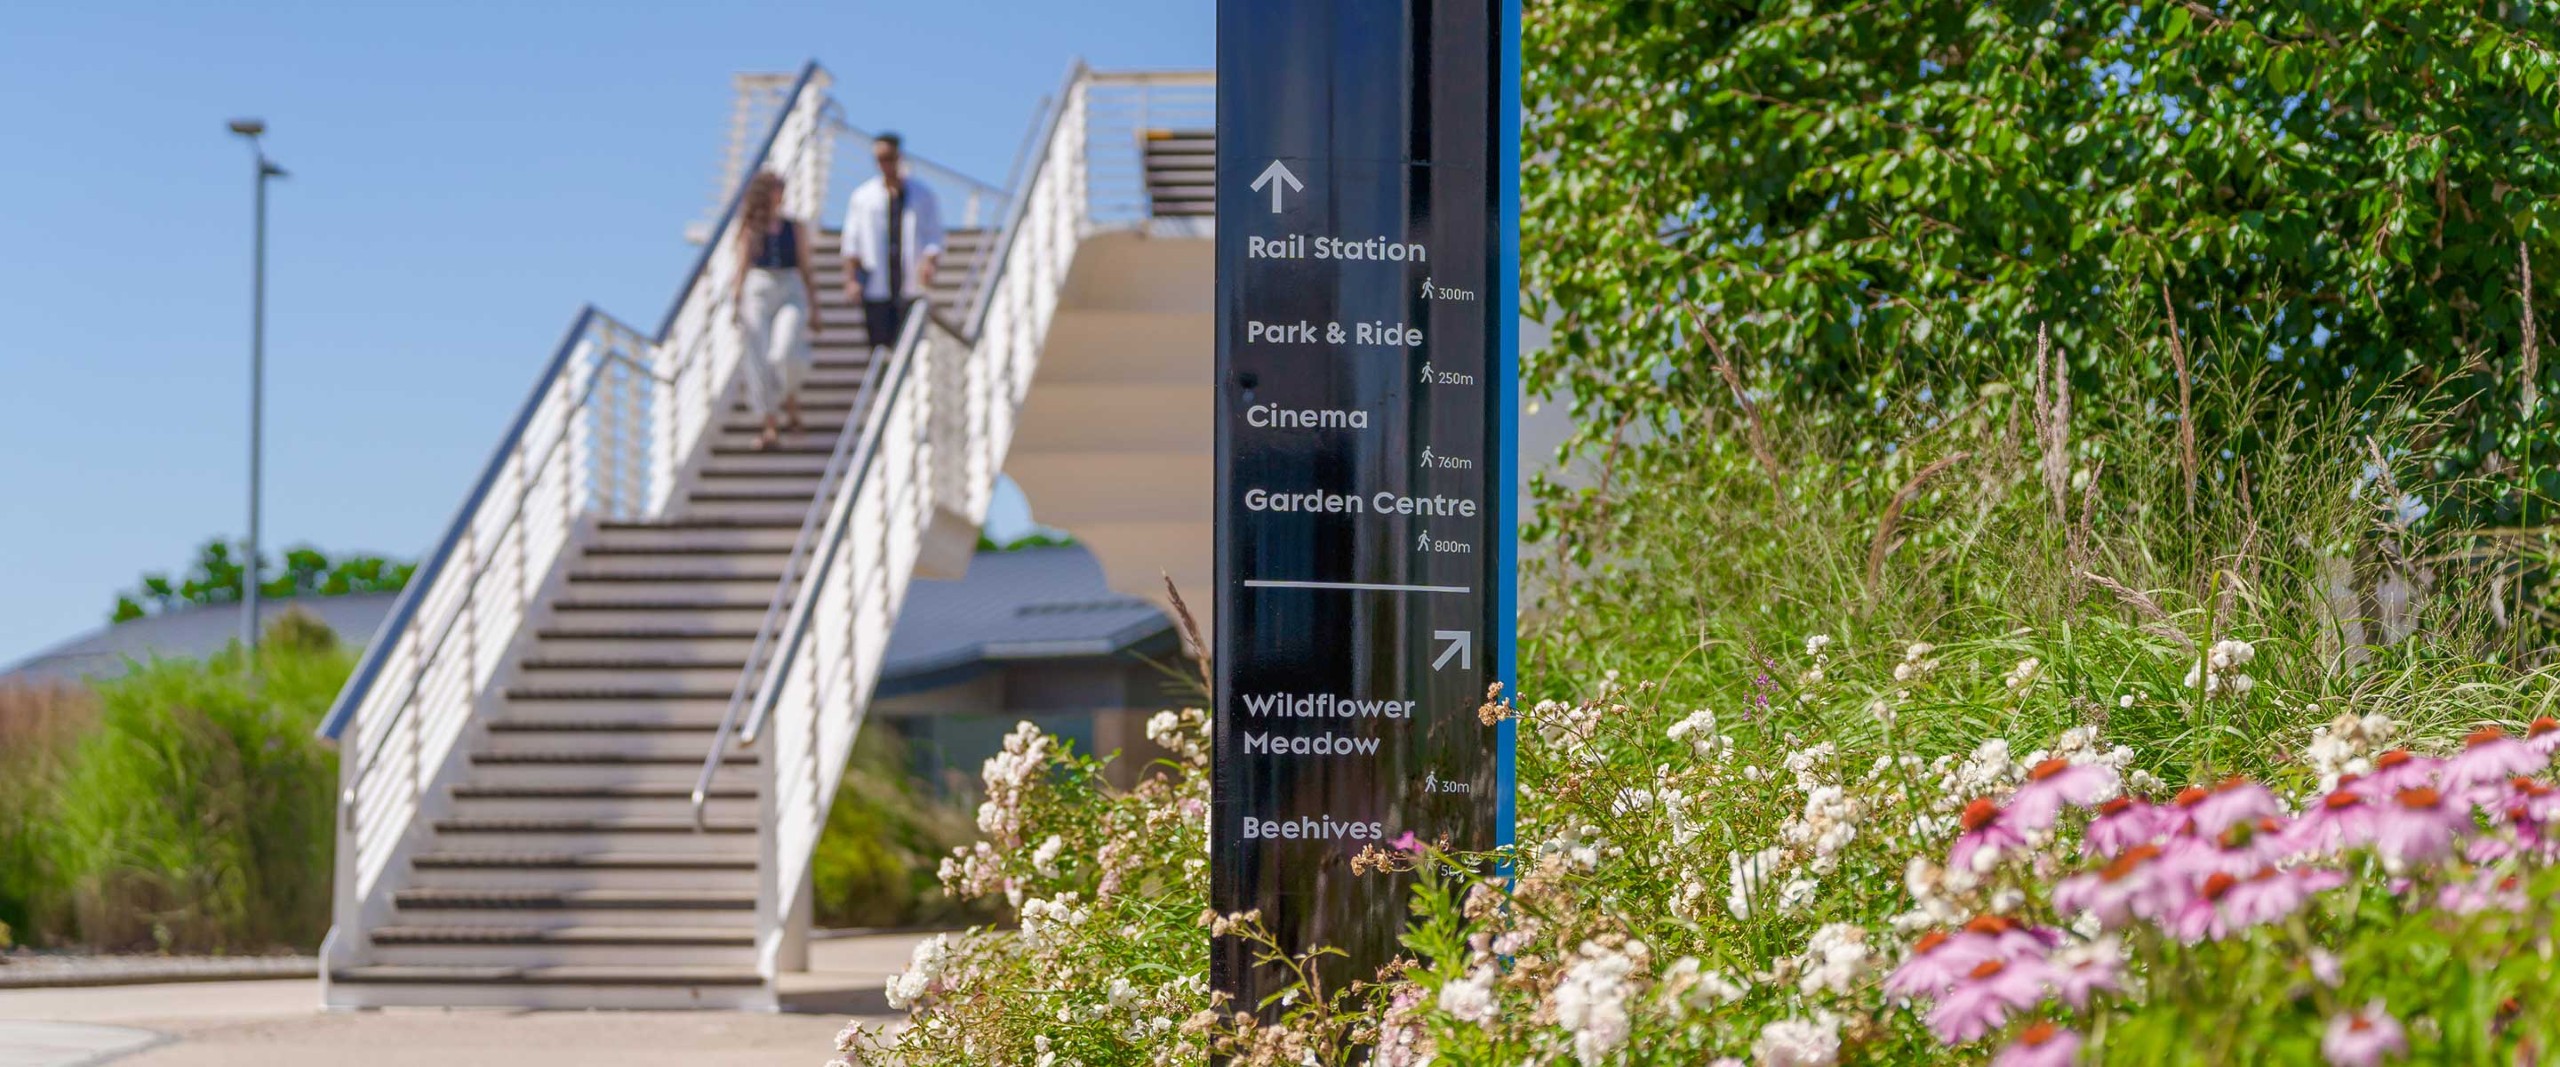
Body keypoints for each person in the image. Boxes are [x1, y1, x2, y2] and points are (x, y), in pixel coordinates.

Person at [730, 171, 821, 450]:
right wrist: (736, 302)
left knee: (784, 351)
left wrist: (815, 306)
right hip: (759, 288)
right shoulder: (750, 228)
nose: (782, 195)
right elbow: (742, 267)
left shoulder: (794, 227)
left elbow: (805, 267)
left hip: (789, 286)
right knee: (758, 358)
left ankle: (790, 398)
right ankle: (770, 424)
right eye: (778, 189)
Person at [840, 132, 945, 351]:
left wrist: (929, 262)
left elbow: (934, 235)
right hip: (876, 286)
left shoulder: (922, 194)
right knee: (879, 345)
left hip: (910, 286)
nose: (884, 164)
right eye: (879, 159)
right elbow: (852, 242)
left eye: (888, 157)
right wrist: (852, 279)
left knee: (908, 344)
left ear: (899, 157)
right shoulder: (863, 197)